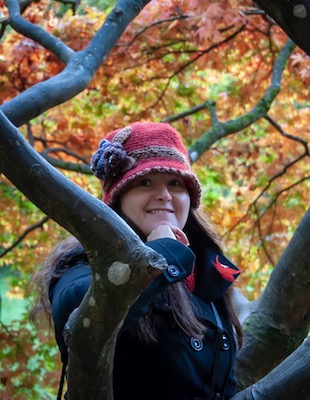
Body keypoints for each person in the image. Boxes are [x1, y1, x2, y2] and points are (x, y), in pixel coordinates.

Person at [30, 121, 243, 400]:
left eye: (176, 183)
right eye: (145, 182)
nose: (164, 195)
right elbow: (81, 310)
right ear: (118, 198)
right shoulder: (84, 263)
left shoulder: (208, 271)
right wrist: (159, 253)